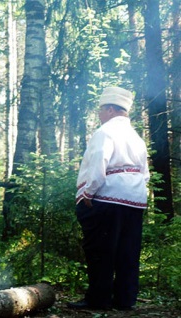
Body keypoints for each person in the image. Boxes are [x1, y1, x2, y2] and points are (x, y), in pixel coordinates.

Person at [68, 86, 150, 311]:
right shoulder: (136, 138)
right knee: (128, 251)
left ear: (112, 109)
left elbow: (98, 164)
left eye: (101, 110)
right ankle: (125, 300)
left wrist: (88, 193)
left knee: (100, 251)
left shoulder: (104, 132)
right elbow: (145, 174)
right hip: (134, 199)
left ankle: (98, 300)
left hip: (107, 198)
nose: (99, 114)